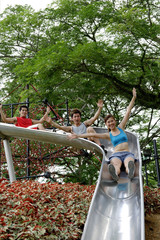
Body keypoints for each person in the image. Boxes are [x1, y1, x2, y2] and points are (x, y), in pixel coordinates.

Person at [68, 88, 137, 181]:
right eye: (108, 122)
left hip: (127, 153)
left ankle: (130, 172)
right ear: (106, 124)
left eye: (112, 121)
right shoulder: (108, 135)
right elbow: (95, 135)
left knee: (128, 163)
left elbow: (128, 112)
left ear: (115, 121)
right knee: (116, 165)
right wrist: (78, 136)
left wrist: (133, 97)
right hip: (116, 154)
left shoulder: (121, 128)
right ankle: (115, 174)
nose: (111, 123)